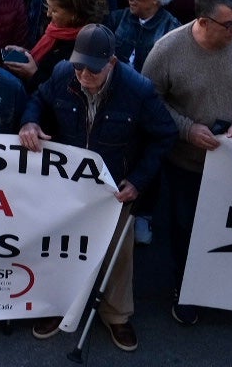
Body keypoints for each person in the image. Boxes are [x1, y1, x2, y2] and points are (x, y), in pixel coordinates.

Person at [23, 24, 176, 352]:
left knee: (118, 253)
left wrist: (138, 180)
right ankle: (57, 305)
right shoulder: (64, 72)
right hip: (69, 182)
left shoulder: (138, 89)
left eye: (92, 68)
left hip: (114, 188)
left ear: (112, 63)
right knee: (62, 245)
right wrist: (29, 122)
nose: (83, 75)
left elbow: (165, 133)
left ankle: (117, 314)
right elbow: (38, 98)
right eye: (79, 66)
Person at [144, 0, 232, 313]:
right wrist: (187, 129)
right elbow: (149, 102)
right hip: (186, 163)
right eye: (228, 24)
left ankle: (223, 289)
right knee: (185, 229)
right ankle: (184, 288)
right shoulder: (166, 50)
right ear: (202, 21)